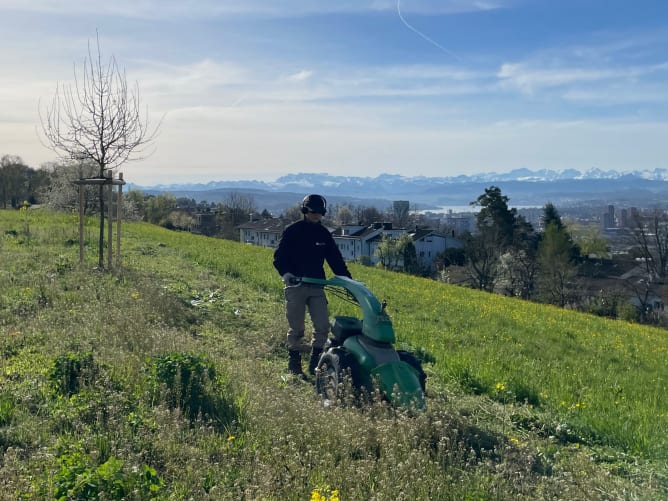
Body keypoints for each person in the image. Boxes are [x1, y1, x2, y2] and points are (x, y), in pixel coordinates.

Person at [273, 194, 352, 377]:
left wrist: (348, 281)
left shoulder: (323, 234)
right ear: (305, 211)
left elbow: (335, 260)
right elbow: (279, 258)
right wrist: (286, 274)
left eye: (320, 212)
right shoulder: (292, 231)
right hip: (296, 285)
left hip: (317, 285)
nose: (317, 215)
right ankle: (294, 363)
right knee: (297, 328)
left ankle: (315, 363)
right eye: (313, 211)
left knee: (323, 326)